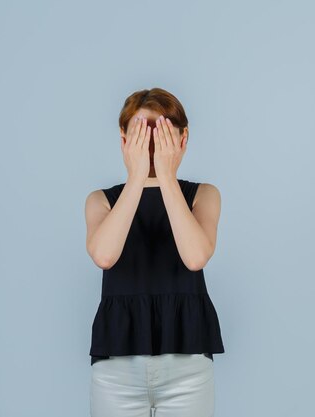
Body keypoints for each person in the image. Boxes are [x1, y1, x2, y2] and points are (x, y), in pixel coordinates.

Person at [84, 87, 225, 417]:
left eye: (159, 132)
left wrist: (166, 175)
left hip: (187, 366)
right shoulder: (100, 201)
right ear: (123, 139)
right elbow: (104, 256)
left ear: (182, 137)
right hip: (116, 370)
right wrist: (136, 178)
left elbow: (195, 257)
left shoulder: (203, 195)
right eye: (138, 133)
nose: (150, 145)